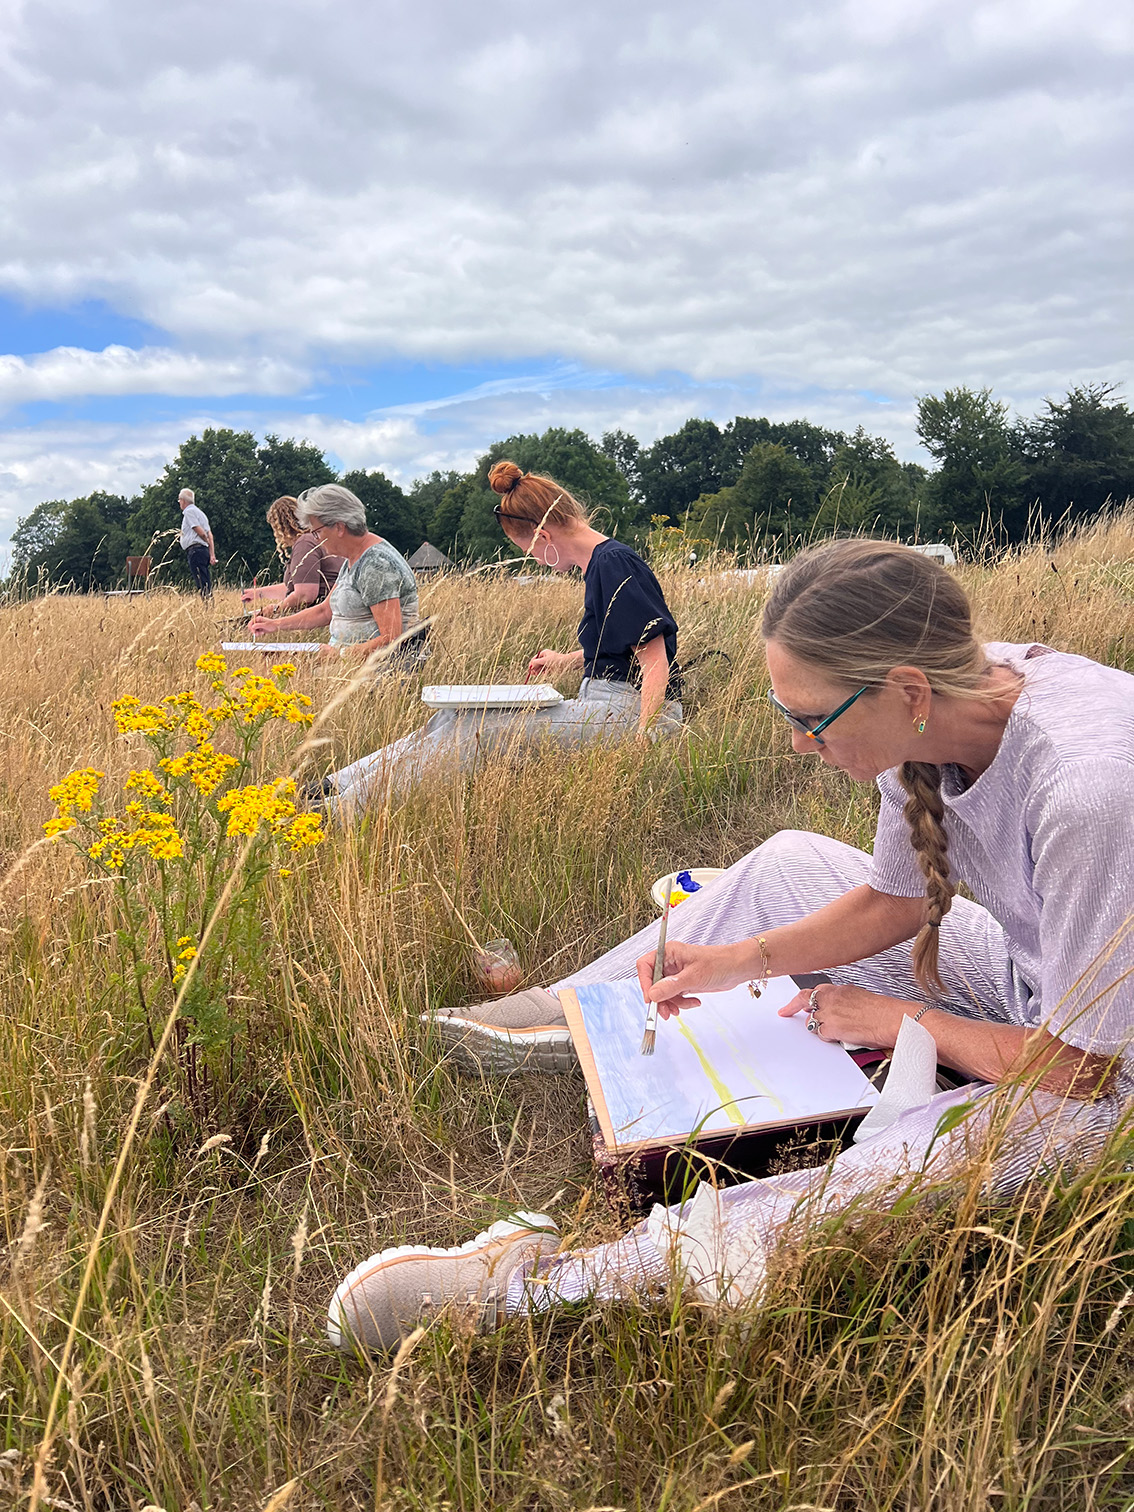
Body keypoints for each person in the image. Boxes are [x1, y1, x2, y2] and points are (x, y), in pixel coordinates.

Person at [327, 538, 1134, 1353]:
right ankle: (580, 1016)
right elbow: (897, 901)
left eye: (812, 720)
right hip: (1042, 978)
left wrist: (899, 1023)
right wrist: (731, 962)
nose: (797, 743)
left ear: (907, 692)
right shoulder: (940, 694)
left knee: (929, 1153)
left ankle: (549, 1289)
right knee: (787, 859)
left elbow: (1082, 1068)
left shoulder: (1087, 789)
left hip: (1111, 1071)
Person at [316, 461, 683, 812]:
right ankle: (337, 784)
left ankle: (342, 810)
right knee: (452, 718)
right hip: (608, 703)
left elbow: (655, 661)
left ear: (543, 535)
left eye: (528, 550)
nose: (535, 559)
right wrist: (566, 660)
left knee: (478, 729)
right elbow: (623, 647)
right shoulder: (600, 564)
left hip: (629, 712)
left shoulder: (613, 563)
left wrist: (644, 737)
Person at [248, 484, 420, 663]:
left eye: (317, 532)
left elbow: (391, 638)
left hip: (369, 671)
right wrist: (274, 625)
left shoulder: (376, 565)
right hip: (346, 664)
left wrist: (339, 655)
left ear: (339, 527)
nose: (316, 539)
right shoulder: (353, 558)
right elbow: (325, 611)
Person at [241, 496, 346, 618]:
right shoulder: (321, 539)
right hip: (335, 612)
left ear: (280, 526)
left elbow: (305, 594)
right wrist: (259, 593)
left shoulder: (305, 543)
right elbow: (298, 586)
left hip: (319, 616)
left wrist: (275, 610)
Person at [178, 488, 215, 597]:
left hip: (195, 550)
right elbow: (210, 534)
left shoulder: (188, 512)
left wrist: (205, 540)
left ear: (183, 501)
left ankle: (207, 606)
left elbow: (200, 531)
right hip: (203, 551)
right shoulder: (201, 513)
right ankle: (208, 603)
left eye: (179, 500)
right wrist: (212, 554)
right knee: (205, 580)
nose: (179, 503)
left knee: (201, 583)